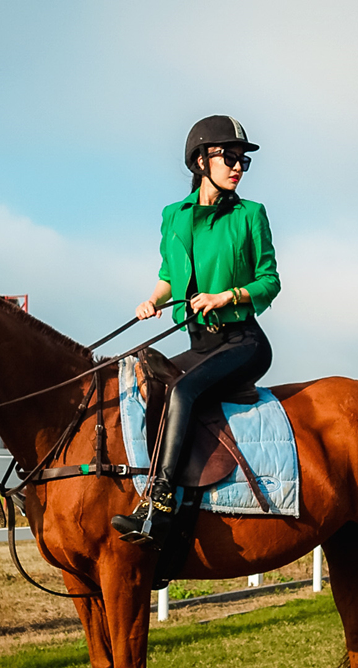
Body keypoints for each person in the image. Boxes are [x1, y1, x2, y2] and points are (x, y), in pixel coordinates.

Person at [111, 115, 281, 548]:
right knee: (152, 386)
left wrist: (227, 297)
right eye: (229, 157)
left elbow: (270, 280)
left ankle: (161, 501)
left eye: (243, 160)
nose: (238, 165)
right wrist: (153, 299)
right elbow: (170, 272)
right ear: (201, 160)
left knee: (184, 392)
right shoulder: (173, 217)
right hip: (201, 343)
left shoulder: (251, 215)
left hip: (244, 342)